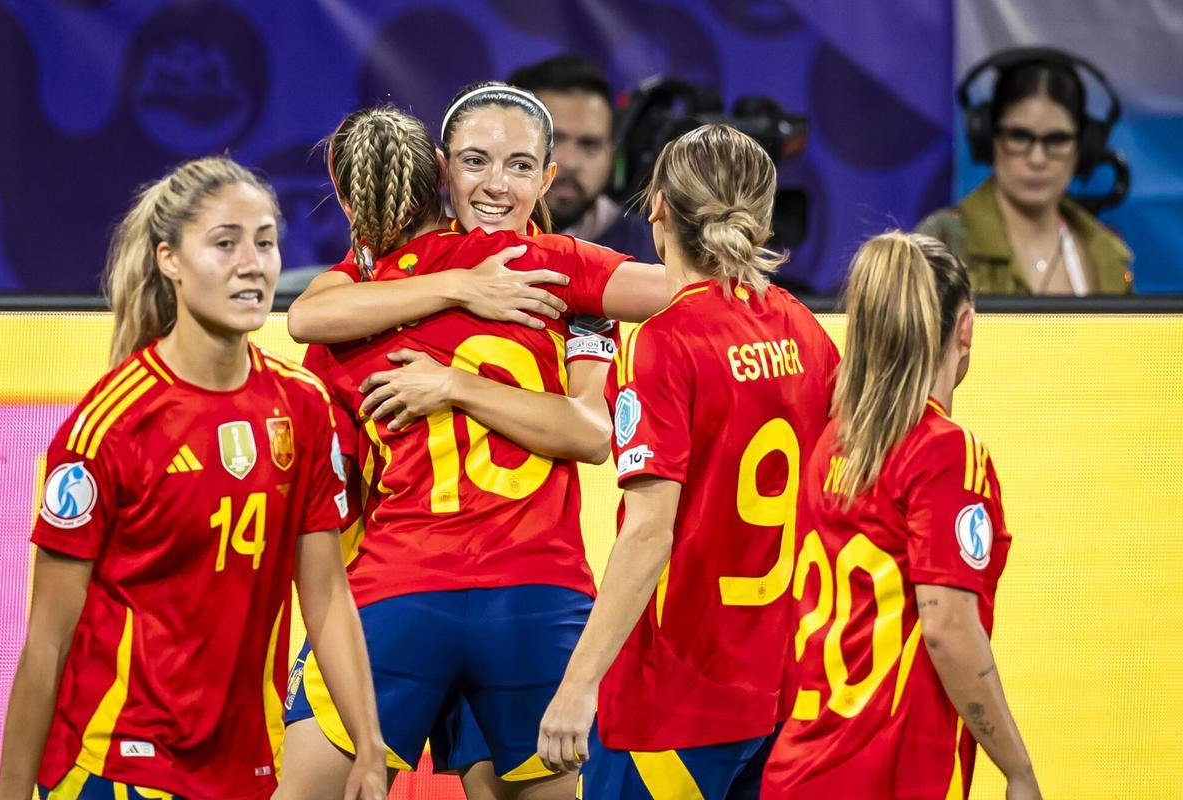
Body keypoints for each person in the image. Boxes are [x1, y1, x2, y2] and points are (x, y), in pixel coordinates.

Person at [277, 94, 668, 800]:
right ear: (442, 170)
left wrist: (454, 385)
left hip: (397, 594)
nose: (496, 184)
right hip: (537, 602)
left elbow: (305, 328)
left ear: (546, 177)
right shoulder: (561, 270)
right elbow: (686, 294)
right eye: (477, 162)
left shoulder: (359, 300)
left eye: (518, 166)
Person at [0, 157, 387, 800]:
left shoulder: (304, 407)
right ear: (170, 260)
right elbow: (47, 641)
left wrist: (369, 748)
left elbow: (326, 597)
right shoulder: (110, 427)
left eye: (265, 243)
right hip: (115, 768)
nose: (252, 264)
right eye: (225, 244)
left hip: (244, 771)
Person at [537, 124, 841, 799]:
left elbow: (649, 532)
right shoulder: (800, 326)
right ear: (761, 219)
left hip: (676, 699)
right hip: (779, 688)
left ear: (658, 208)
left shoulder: (665, 342)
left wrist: (579, 684)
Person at [761, 232, 1040, 799]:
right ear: (965, 327)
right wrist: (1018, 770)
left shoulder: (833, 445)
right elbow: (948, 627)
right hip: (886, 775)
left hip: (798, 770)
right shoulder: (944, 452)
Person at [919, 55, 1132, 295]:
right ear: (989, 139)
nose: (1037, 159)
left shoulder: (1107, 254)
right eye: (1019, 136)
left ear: (1083, 148)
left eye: (1057, 139)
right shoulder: (941, 243)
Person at [508, 54, 658, 263]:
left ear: (611, 153)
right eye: (552, 140)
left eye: (590, 144)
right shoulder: (459, 232)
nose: (570, 163)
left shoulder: (654, 254)